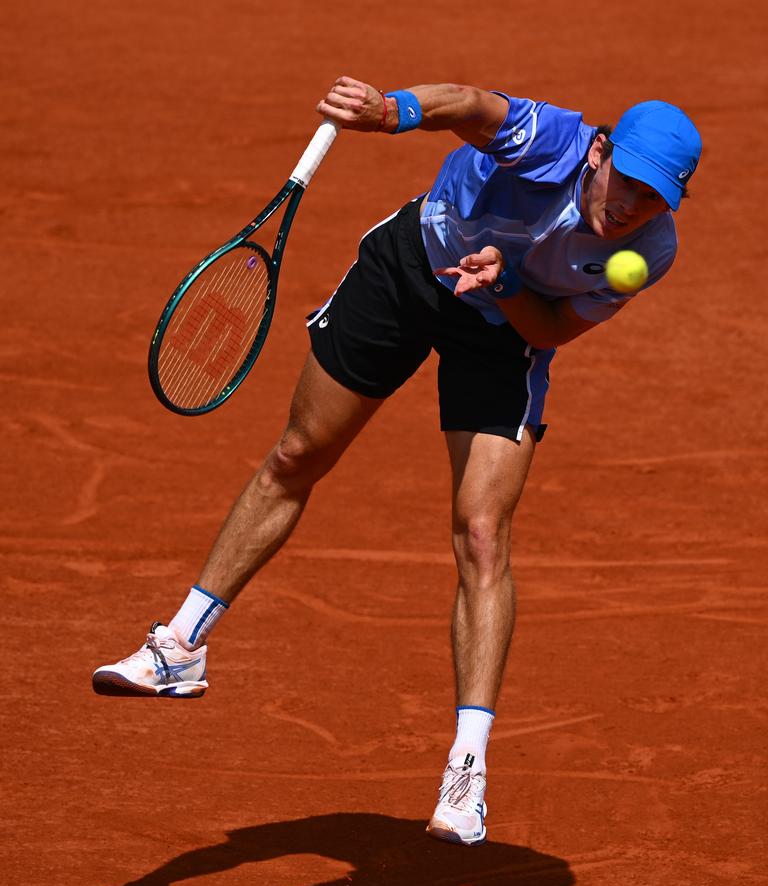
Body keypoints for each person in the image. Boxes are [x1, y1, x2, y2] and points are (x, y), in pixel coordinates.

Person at [92, 78, 702, 846]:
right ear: (601, 152)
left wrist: (504, 282)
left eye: (654, 199)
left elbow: (548, 333)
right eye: (629, 184)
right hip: (412, 270)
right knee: (298, 453)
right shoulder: (552, 141)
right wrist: (395, 113)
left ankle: (467, 771)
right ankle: (180, 645)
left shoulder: (648, 249)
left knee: (482, 532)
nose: (632, 207)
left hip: (500, 324)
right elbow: (477, 105)